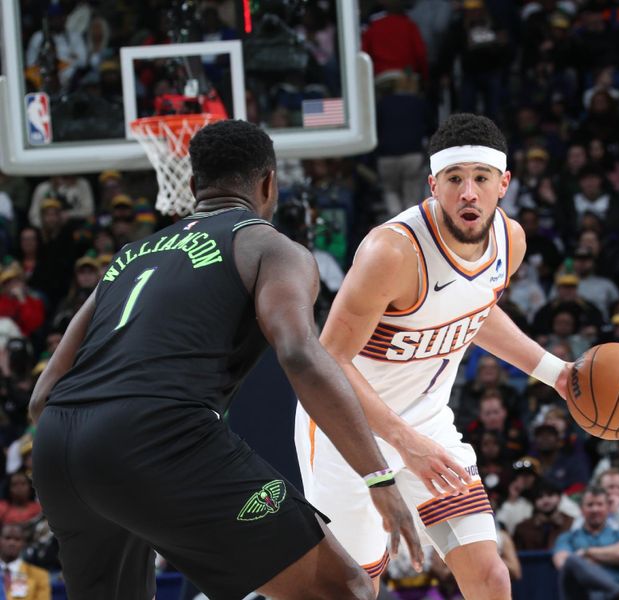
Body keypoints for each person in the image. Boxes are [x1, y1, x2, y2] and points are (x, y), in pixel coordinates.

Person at [28, 120, 422, 600]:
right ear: (269, 184)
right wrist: (377, 475)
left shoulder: (128, 257)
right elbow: (299, 352)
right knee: (346, 591)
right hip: (158, 434)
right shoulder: (270, 247)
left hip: (58, 446)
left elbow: (41, 395)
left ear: (192, 186)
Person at [295, 113, 573, 599]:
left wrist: (556, 373)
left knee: (491, 577)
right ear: (433, 185)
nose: (469, 192)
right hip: (346, 432)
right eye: (455, 179)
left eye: (481, 179)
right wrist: (404, 443)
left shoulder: (512, 241)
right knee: (357, 589)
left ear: (503, 184)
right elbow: (328, 360)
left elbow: (475, 310)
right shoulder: (393, 252)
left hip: (426, 424)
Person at [552, 486, 619, 600]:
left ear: (608, 508)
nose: (595, 509)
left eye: (599, 504)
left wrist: (586, 552)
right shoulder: (567, 538)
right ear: (581, 509)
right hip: (583, 594)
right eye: (590, 505)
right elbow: (563, 563)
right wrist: (612, 554)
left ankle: (618, 591)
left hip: (615, 592)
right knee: (572, 561)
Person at [0, 523, 50, 600]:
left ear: (23, 543)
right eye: (7, 538)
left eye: (17, 539)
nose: (12, 543)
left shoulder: (39, 576)